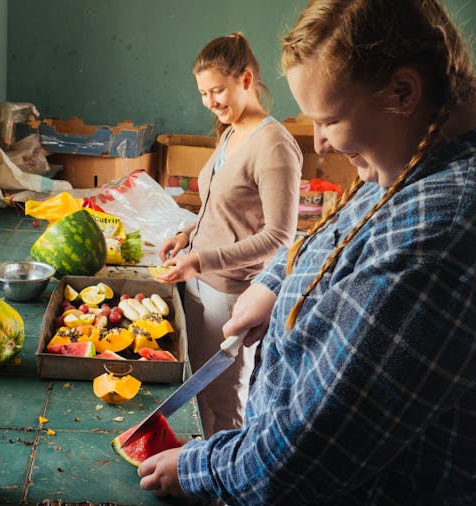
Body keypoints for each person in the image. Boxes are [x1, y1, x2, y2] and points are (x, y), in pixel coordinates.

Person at [138, 1, 476, 504]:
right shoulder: (438, 139)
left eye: (330, 120)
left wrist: (198, 468)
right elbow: (348, 222)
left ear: (403, 90)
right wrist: (277, 281)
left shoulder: (447, 235)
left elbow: (310, 454)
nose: (319, 143)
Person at [154, 32, 302, 437]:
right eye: (203, 93)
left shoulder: (273, 145)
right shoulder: (230, 131)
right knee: (198, 387)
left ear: (247, 80)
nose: (210, 102)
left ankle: (224, 489)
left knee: (223, 394)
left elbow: (279, 235)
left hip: (232, 288)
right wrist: (187, 234)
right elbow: (218, 206)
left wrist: (202, 259)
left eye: (217, 90)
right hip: (199, 279)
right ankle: (202, 469)